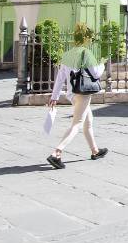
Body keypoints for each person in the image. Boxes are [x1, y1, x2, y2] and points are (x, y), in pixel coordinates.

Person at [45, 23, 108, 168]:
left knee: (88, 121)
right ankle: (57, 153)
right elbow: (96, 74)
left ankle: (95, 151)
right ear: (86, 39)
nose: (91, 41)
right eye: (90, 38)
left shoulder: (68, 54)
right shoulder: (87, 53)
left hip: (72, 93)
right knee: (77, 124)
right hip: (82, 93)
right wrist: (102, 63)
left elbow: (60, 77)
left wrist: (54, 96)